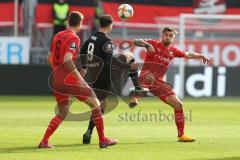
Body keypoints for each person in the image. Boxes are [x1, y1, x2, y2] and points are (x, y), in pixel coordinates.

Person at [38, 11, 117, 149]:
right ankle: (103, 139)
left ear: (69, 21)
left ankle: (44, 141)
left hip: (57, 79)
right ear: (80, 23)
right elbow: (67, 59)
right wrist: (79, 78)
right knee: (96, 104)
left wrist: (58, 71)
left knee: (63, 112)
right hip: (70, 80)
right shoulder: (74, 38)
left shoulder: (58, 35)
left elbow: (49, 57)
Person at [133, 26, 211, 142]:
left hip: (158, 82)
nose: (168, 37)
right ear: (162, 35)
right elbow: (135, 41)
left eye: (170, 36)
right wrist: (146, 45)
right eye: (166, 35)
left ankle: (181, 135)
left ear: (173, 38)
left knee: (178, 104)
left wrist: (200, 55)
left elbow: (188, 54)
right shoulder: (153, 44)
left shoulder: (173, 51)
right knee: (149, 76)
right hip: (146, 78)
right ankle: (136, 96)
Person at [79, 15, 142, 144]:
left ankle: (89, 132)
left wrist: (84, 67)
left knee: (100, 104)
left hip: (92, 73)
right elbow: (110, 63)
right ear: (110, 25)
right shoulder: (107, 41)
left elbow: (82, 51)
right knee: (100, 106)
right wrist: (129, 66)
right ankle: (137, 90)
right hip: (104, 75)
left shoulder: (91, 37)